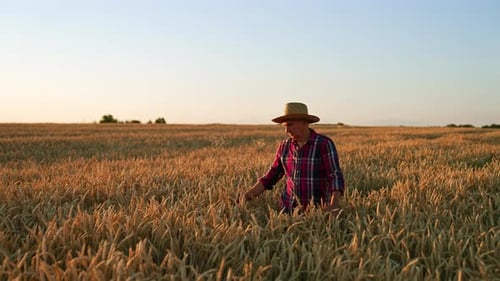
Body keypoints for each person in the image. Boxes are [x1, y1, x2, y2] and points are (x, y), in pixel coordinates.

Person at [243, 102, 345, 215]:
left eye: (290, 125)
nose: (286, 130)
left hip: (317, 213)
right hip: (287, 211)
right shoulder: (284, 146)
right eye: (285, 126)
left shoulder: (324, 144)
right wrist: (245, 197)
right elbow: (270, 177)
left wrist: (333, 205)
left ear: (305, 122)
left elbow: (334, 176)